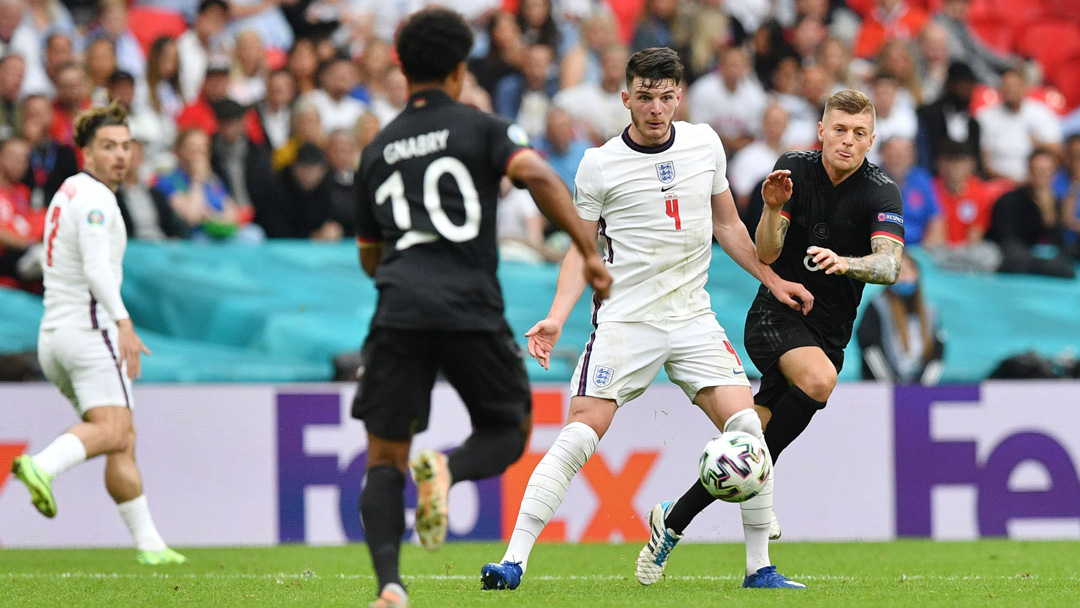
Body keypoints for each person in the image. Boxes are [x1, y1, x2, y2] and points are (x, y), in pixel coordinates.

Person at [481, 47, 813, 593]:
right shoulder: (600, 163)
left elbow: (727, 226)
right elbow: (578, 249)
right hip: (625, 321)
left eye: (665, 97)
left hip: (691, 317)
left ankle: (759, 569)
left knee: (749, 427)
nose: (656, 108)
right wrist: (556, 316)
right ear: (625, 97)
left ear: (679, 97)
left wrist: (772, 280)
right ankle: (513, 560)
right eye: (645, 97)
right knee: (579, 433)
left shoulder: (705, 144)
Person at [352, 9, 611, 608]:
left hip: (399, 310)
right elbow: (536, 175)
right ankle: (446, 470)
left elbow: (370, 258)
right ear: (458, 69)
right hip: (469, 305)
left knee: (384, 457)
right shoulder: (483, 126)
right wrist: (586, 250)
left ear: (401, 67)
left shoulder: (378, 149)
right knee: (506, 429)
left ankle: (390, 586)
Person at [646, 89, 905, 563]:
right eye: (840, 130)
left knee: (747, 451)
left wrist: (844, 263)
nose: (848, 141)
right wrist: (769, 208)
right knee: (820, 380)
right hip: (775, 315)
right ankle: (762, 482)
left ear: (871, 140)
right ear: (822, 131)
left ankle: (674, 518)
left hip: (828, 334)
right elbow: (765, 254)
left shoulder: (881, 190)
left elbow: (890, 267)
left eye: (860, 133)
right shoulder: (795, 169)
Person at [9, 102, 185, 565]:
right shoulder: (95, 200)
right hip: (89, 331)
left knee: (122, 437)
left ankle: (150, 546)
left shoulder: (69, 191)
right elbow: (94, 267)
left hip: (56, 335)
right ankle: (40, 466)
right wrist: (124, 323)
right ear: (85, 151)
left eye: (126, 146)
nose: (120, 156)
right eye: (108, 147)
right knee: (113, 429)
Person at [857, 252, 945, 384]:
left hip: (919, 389)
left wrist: (923, 386)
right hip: (881, 387)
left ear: (917, 275)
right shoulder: (877, 306)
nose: (903, 276)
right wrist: (891, 385)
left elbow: (937, 353)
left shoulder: (929, 312)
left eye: (908, 270)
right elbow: (869, 348)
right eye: (898, 271)